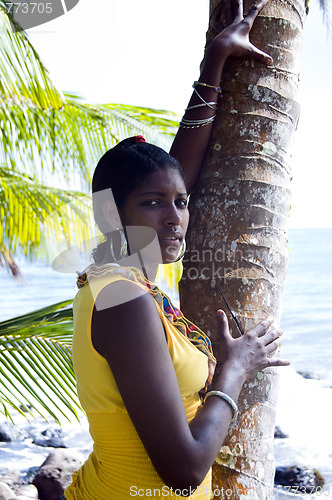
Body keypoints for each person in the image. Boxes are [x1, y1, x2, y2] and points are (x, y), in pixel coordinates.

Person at [63, 0, 290, 498]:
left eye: (181, 204)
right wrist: (233, 371)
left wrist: (214, 63)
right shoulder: (123, 301)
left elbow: (174, 173)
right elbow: (183, 471)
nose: (175, 218)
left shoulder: (123, 279)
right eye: (152, 203)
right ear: (110, 214)